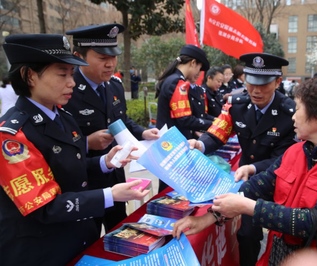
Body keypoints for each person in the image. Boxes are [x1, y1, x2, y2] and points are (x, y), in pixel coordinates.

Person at [173, 76, 317, 266]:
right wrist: (211, 217)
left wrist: (248, 208)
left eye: (299, 109)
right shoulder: (297, 152)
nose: (292, 116)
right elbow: (257, 186)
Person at [0, 33, 150, 265]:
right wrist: (110, 195)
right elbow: (45, 206)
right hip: (42, 250)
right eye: (62, 74)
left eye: (71, 74)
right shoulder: (12, 137)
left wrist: (105, 162)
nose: (71, 82)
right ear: (29, 76)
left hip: (78, 238)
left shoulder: (64, 117)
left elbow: (69, 168)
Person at [187, 53, 296, 265]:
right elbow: (218, 132)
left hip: (277, 179)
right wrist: (199, 145)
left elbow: (285, 158)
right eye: (250, 82)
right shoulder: (237, 105)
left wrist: (253, 167)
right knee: (247, 234)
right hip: (247, 182)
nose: (255, 90)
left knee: (282, 238)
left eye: (263, 85)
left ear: (278, 82)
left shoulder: (289, 112)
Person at [63, 23, 159, 234]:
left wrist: (143, 132)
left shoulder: (113, 86)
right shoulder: (66, 90)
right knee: (88, 236)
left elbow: (120, 121)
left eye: (113, 57)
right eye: (102, 58)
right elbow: (58, 145)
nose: (110, 64)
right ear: (79, 56)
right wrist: (87, 143)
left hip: (115, 176)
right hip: (85, 183)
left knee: (119, 230)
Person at [155, 44, 210, 192]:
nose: (199, 74)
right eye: (199, 68)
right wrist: (215, 124)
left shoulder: (172, 79)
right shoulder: (177, 82)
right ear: (193, 63)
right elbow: (185, 119)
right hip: (174, 147)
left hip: (170, 145)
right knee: (171, 192)